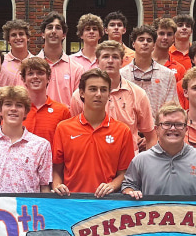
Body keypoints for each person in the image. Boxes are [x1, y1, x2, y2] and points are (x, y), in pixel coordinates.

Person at [122, 103, 196, 199]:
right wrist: (130, 192)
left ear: (186, 129)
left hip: (192, 224)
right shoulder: (141, 160)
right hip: (153, 224)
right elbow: (128, 186)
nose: (172, 128)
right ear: (156, 129)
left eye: (179, 124)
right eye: (166, 124)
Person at [52, 69, 135, 197]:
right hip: (71, 202)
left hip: (107, 203)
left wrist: (112, 186)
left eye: (103, 90)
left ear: (109, 94)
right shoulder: (63, 128)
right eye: (92, 89)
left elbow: (125, 173)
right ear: (82, 93)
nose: (98, 94)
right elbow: (56, 169)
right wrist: (57, 186)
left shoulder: (122, 131)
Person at [70, 40, 156, 153]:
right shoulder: (80, 95)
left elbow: (151, 137)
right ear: (97, 61)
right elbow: (74, 132)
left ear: (121, 62)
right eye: (105, 57)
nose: (110, 61)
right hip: (92, 159)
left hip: (128, 163)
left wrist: (146, 165)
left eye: (115, 57)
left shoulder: (138, 94)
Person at [0, 86, 52, 194]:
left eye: (19, 105)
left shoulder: (41, 145)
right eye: (8, 104)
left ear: (25, 112)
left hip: (26, 210)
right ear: (0, 110)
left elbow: (45, 187)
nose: (13, 109)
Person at [120, 25, 177, 117]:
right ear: (133, 44)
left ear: (154, 45)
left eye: (149, 40)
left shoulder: (167, 74)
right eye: (141, 40)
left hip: (157, 128)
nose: (145, 43)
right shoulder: (122, 74)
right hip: (129, 128)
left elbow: (171, 107)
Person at [20, 57, 71, 146]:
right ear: (24, 79)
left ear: (48, 78)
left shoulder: (62, 111)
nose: (35, 77)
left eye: (40, 73)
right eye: (30, 73)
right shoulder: (16, 110)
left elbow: (67, 144)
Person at [37, 11, 84, 105]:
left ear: (64, 35)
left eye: (58, 28)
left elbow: (79, 103)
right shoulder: (29, 65)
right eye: (50, 27)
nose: (53, 31)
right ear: (43, 34)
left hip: (66, 119)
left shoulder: (76, 69)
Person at [0, 19, 34, 85]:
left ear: (28, 37)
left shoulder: (37, 62)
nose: (18, 38)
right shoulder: (0, 62)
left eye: (21, 34)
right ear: (8, 40)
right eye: (13, 35)